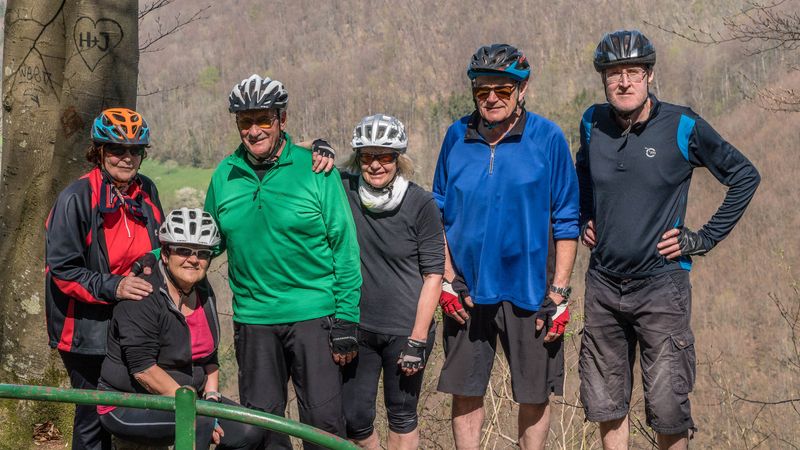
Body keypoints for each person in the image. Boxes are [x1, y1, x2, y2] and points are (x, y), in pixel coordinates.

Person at [576, 29, 761, 450]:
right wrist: (586, 215)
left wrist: (704, 239)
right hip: (603, 284)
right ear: (603, 79)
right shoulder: (591, 122)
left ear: (650, 75)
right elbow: (583, 170)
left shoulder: (681, 125)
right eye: (614, 73)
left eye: (634, 72)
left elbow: (744, 176)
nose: (624, 82)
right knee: (606, 404)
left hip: (661, 288)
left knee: (668, 407)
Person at [433, 44, 580, 449]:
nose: (492, 98)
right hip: (466, 290)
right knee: (465, 391)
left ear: (522, 89)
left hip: (531, 291)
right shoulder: (456, 136)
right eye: (483, 90)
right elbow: (437, 210)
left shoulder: (547, 138)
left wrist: (559, 293)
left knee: (534, 394)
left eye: (503, 89)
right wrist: (446, 278)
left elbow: (566, 218)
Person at [205, 74, 362, 449]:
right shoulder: (225, 175)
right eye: (245, 121)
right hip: (254, 321)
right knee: (262, 429)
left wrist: (347, 317)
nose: (254, 130)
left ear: (282, 119)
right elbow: (204, 243)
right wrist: (156, 260)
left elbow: (344, 247)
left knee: (324, 425)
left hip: (315, 317)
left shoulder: (315, 170)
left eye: (263, 119)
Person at [45, 108, 163, 450]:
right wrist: (117, 286)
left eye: (135, 150)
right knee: (93, 419)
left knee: (135, 415)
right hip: (86, 329)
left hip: (134, 323)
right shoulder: (77, 198)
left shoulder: (147, 190)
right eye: (116, 149)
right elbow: (63, 270)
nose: (126, 157)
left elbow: (159, 246)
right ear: (99, 151)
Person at [97, 208, 264, 449]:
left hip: (190, 396)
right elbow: (143, 370)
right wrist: (198, 410)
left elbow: (209, 356)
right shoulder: (143, 294)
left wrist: (212, 397)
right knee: (200, 423)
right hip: (128, 402)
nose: (194, 260)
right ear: (165, 254)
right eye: (184, 250)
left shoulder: (202, 290)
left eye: (202, 253)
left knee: (250, 430)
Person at [340, 114, 444, 449]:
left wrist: (418, 339)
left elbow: (434, 275)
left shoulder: (421, 203)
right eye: (367, 156)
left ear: (398, 159)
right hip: (359, 326)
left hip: (406, 329)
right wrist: (318, 146)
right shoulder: (345, 189)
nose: (375, 165)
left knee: (401, 415)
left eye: (384, 156)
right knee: (355, 419)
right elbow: (294, 153)